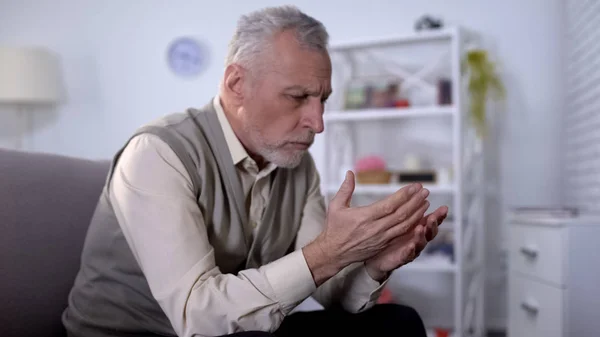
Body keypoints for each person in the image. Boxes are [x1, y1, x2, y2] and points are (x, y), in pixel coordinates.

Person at [62, 5, 448, 337]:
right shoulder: (157, 153)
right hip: (136, 333)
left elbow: (329, 289)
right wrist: (329, 251)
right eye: (298, 97)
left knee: (398, 322)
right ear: (236, 84)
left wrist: (373, 264)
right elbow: (198, 317)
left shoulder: (297, 167)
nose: (318, 122)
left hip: (230, 330)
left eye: (322, 99)